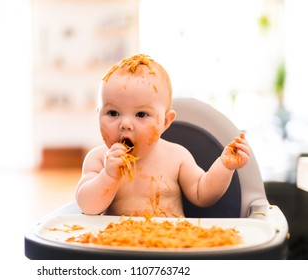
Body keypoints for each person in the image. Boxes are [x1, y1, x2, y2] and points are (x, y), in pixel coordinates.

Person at [75, 54, 250, 217]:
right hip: (118, 247)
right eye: (113, 113)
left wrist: (224, 166)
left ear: (165, 122)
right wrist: (109, 175)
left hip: (171, 245)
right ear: (98, 114)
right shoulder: (98, 160)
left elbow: (202, 194)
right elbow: (88, 207)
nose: (125, 124)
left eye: (141, 115)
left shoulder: (176, 157)